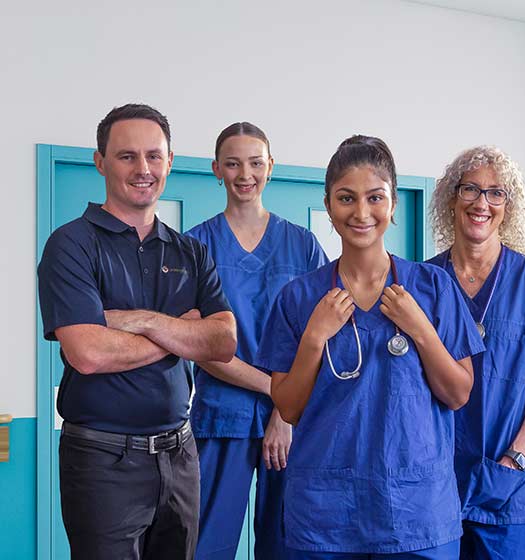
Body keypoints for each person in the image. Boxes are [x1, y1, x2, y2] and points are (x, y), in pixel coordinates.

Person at [256, 135, 485, 559]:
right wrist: (314, 337)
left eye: (374, 198)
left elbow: (458, 393)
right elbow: (288, 407)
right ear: (328, 205)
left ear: (393, 203)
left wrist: (421, 330)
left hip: (415, 513)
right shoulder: (299, 298)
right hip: (327, 514)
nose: (361, 213)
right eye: (346, 198)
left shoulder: (433, 290)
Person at [37, 103, 237, 559]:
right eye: (127, 156)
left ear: (169, 161)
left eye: (154, 155)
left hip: (181, 455)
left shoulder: (191, 251)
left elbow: (222, 342)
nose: (143, 168)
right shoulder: (71, 244)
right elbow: (88, 353)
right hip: (103, 459)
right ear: (100, 161)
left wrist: (141, 320)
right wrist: (181, 332)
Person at [427, 146, 525, 559]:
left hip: (508, 485)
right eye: (470, 190)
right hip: (435, 481)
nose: (482, 203)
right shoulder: (425, 283)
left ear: (508, 206)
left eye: (496, 193)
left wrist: (515, 459)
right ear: (451, 198)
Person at [186, 122, 327, 559]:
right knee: (207, 544)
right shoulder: (196, 245)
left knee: (288, 544)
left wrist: (284, 414)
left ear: (271, 167)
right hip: (219, 418)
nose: (244, 174)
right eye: (232, 163)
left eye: (254, 163)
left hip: (293, 423)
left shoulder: (301, 246)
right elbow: (199, 344)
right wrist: (276, 390)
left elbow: (320, 338)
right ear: (216, 169)